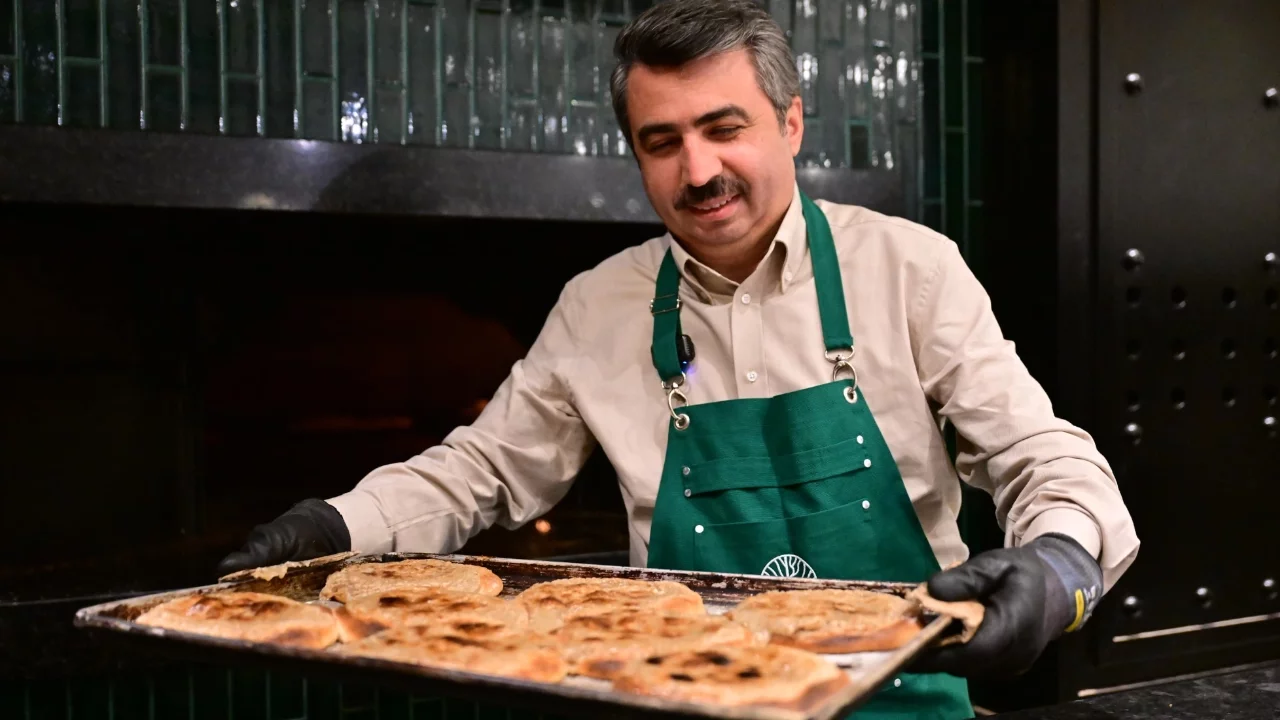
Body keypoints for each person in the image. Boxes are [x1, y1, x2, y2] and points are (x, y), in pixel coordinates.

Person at [218, 0, 1138, 715]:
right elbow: (484, 472)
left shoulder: (909, 269)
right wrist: (339, 525)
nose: (697, 172)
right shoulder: (597, 306)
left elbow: (1038, 452)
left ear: (790, 122)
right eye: (663, 143)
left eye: (723, 127)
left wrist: (1060, 563)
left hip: (898, 705)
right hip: (674, 692)